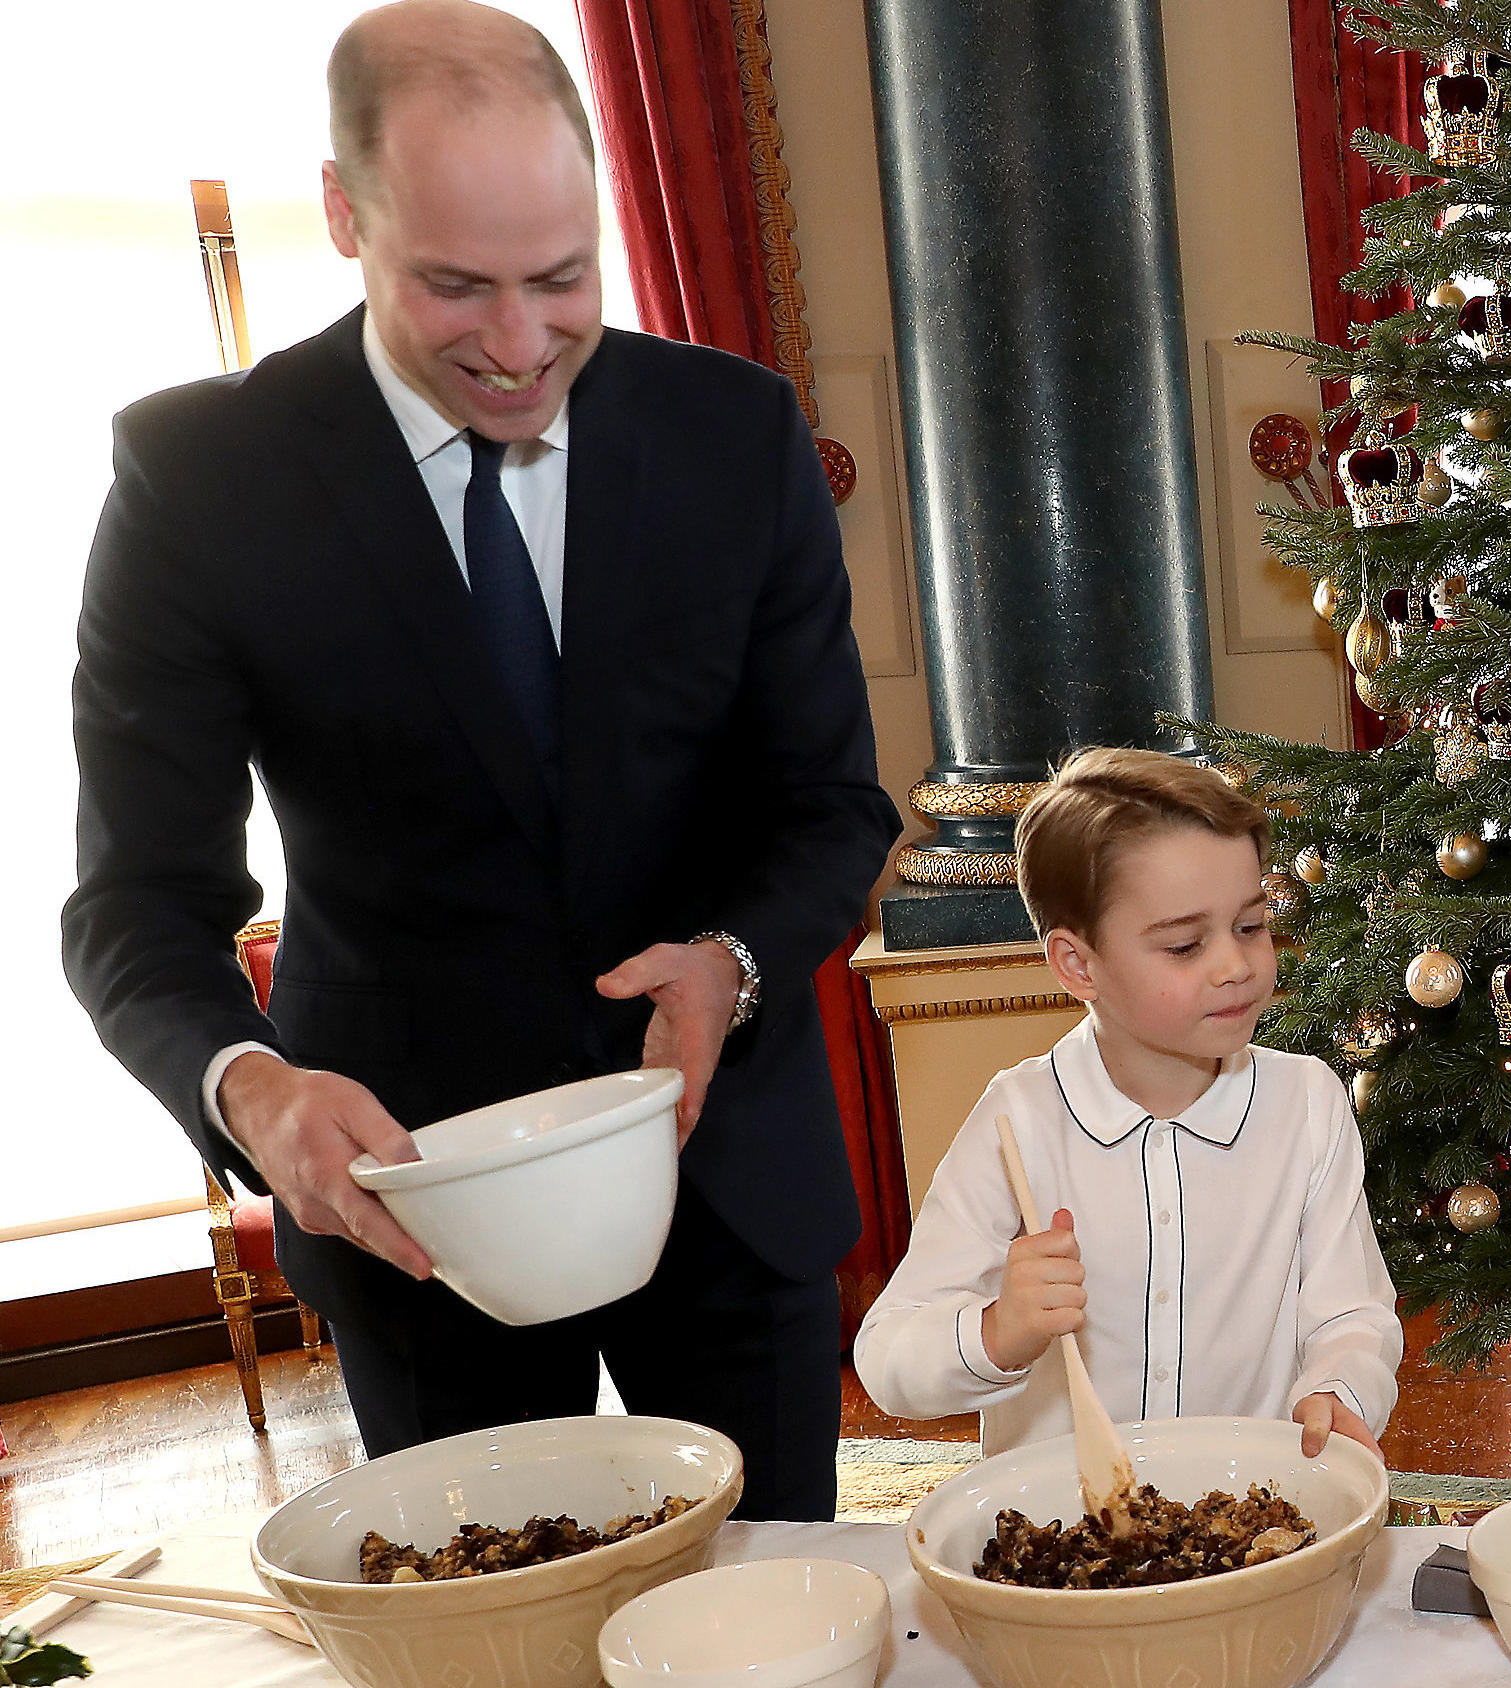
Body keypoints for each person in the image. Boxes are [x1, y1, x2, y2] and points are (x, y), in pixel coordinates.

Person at [61, 1, 898, 1519]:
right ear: (342, 213)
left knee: (773, 1630)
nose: (521, 349)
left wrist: (734, 961)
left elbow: (830, 805)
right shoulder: (200, 483)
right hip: (411, 1212)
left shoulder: (737, 436)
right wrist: (253, 1094)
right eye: (456, 287)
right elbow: (130, 906)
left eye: (561, 280)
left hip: (726, 1187)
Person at [854, 749, 1401, 1457]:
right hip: (1067, 1541)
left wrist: (1338, 1388)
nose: (1236, 966)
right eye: (1183, 945)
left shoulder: (1307, 1105)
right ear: (1078, 965)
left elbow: (1353, 1314)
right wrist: (999, 1330)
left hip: (1250, 1513)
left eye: (1250, 926)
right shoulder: (1015, 1121)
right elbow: (888, 1358)